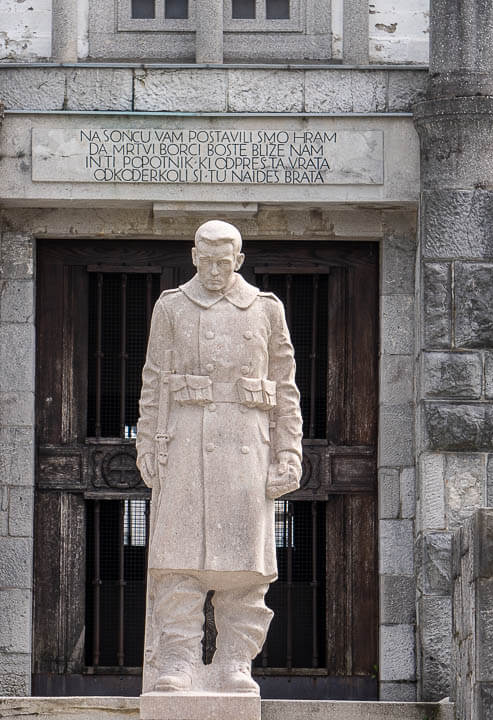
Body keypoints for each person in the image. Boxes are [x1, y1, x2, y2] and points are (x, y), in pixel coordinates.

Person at [136, 219, 303, 695]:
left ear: (239, 261)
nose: (213, 271)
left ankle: (235, 659)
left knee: (245, 566)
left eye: (223, 263)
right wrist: (146, 441)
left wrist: (289, 450)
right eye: (206, 261)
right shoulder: (171, 307)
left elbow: (285, 387)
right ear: (193, 258)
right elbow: (153, 380)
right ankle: (181, 658)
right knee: (178, 561)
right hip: (185, 442)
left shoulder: (266, 309)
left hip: (248, 446)